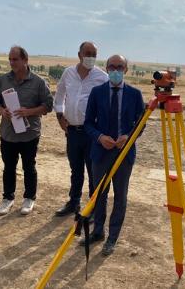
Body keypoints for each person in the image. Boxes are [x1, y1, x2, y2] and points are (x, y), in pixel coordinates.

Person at [82, 54, 145, 256]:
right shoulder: (97, 92)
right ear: (106, 68)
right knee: (99, 195)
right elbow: (88, 123)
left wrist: (128, 136)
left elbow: (140, 124)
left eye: (120, 67)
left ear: (126, 70)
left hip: (124, 155)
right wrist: (100, 137)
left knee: (120, 197)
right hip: (100, 153)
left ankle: (112, 237)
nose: (115, 70)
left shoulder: (135, 95)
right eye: (112, 67)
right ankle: (98, 231)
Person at [0, 46, 53, 216]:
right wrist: (1, 111)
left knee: (29, 166)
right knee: (8, 167)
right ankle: (8, 198)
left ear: (25, 60)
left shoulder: (39, 82)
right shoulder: (3, 80)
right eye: (10, 59)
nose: (12, 62)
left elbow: (48, 105)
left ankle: (29, 198)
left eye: (15, 59)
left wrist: (29, 112)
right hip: (8, 133)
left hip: (29, 134)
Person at [53, 41, 108, 216]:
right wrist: (60, 116)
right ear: (79, 54)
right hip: (72, 131)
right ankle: (74, 203)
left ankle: (92, 208)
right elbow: (60, 94)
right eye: (87, 53)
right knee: (75, 170)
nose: (90, 57)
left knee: (93, 172)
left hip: (92, 133)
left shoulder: (102, 77)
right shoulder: (68, 73)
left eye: (94, 54)